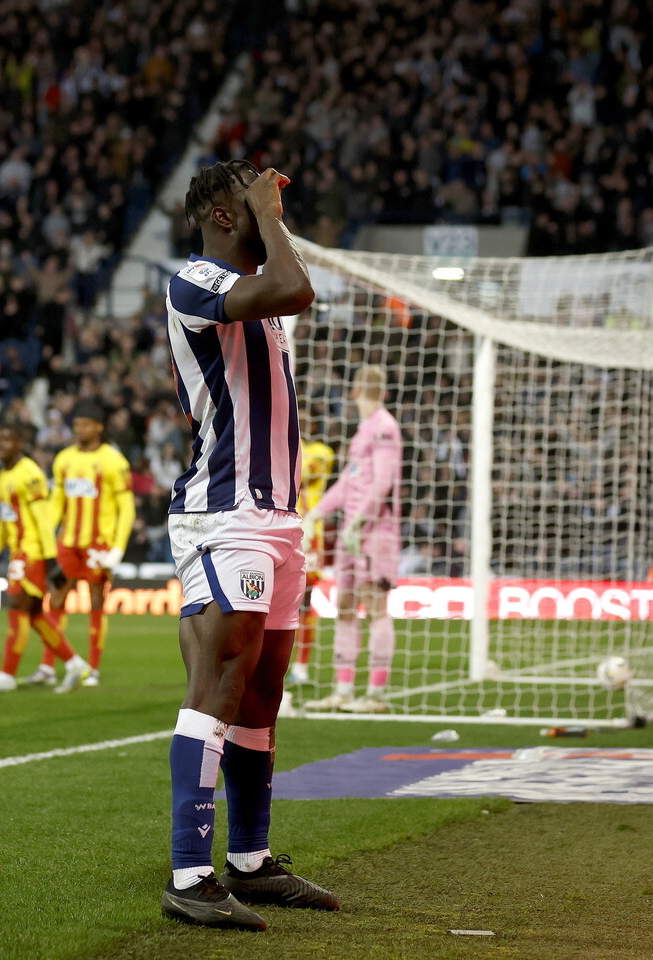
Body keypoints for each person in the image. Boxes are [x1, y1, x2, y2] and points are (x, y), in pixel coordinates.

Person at [160, 159, 337, 930]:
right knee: (223, 679)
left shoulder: (256, 296)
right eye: (250, 198)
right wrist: (271, 210)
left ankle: (250, 861)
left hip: (280, 518)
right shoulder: (196, 280)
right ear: (222, 215)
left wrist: (266, 214)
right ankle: (189, 874)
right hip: (226, 513)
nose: (269, 206)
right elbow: (297, 287)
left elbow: (288, 289)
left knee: (264, 690)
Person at [303, 366, 403, 714]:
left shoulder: (385, 427)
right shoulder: (364, 430)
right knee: (345, 606)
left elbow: (383, 483)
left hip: (374, 532)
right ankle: (343, 690)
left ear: (355, 390)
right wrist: (315, 515)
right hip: (350, 533)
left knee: (375, 607)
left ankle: (375, 695)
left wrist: (359, 521)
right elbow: (348, 481)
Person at [20, 399, 134, 688]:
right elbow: (56, 504)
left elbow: (126, 508)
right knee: (55, 601)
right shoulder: (64, 459)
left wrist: (118, 549)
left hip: (98, 546)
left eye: (85, 425)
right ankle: (47, 667)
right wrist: (44, 537)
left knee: (96, 604)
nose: (79, 430)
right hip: (67, 544)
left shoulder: (114, 461)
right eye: (76, 425)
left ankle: (92, 668)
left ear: (99, 427)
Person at [0, 421, 92, 694]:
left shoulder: (30, 474)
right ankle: (74, 664)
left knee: (16, 607)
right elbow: (5, 519)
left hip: (32, 553)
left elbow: (43, 520)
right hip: (17, 553)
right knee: (35, 614)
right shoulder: (3, 476)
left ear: (19, 444)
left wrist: (50, 559)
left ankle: (6, 675)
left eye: (7, 440)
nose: (0, 446)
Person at [287, 415, 335, 687]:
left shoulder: (322, 453)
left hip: (310, 535)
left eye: (306, 419)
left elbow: (301, 476)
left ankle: (302, 666)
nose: (300, 422)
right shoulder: (283, 446)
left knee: (304, 603)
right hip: (281, 530)